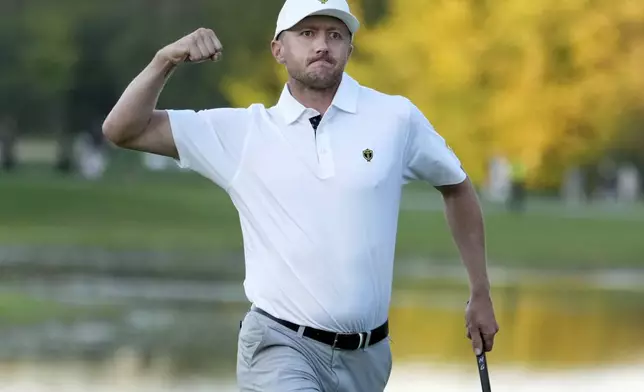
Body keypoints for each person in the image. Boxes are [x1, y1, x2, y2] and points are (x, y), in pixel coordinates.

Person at [102, 0, 499, 390]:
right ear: (279, 49)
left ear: (350, 48)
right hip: (279, 346)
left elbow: (456, 185)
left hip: (369, 358)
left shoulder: (395, 118)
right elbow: (123, 129)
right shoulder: (242, 132)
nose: (322, 45)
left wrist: (480, 291)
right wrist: (164, 61)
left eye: (335, 35)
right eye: (307, 33)